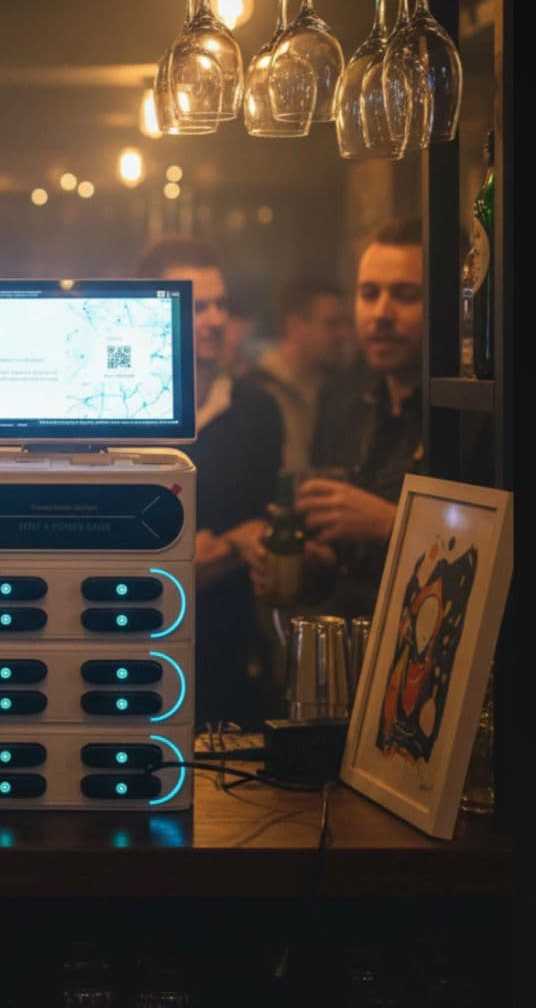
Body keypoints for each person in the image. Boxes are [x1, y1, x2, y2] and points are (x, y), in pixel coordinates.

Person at [246, 218, 425, 619]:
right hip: (345, 656)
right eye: (369, 294)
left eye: (406, 295)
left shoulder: (474, 413)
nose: (381, 313)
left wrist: (391, 524)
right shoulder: (345, 401)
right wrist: (303, 563)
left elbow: (497, 550)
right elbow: (338, 561)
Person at [141, 238, 284, 728]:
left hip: (228, 654)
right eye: (197, 306)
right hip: (134, 644)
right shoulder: (125, 417)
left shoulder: (257, 412)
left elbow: (262, 523)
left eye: (220, 304)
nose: (216, 319)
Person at [250, 276, 351, 476]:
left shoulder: (337, 389)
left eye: (345, 324)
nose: (343, 334)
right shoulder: (254, 390)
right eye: (332, 324)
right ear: (295, 326)